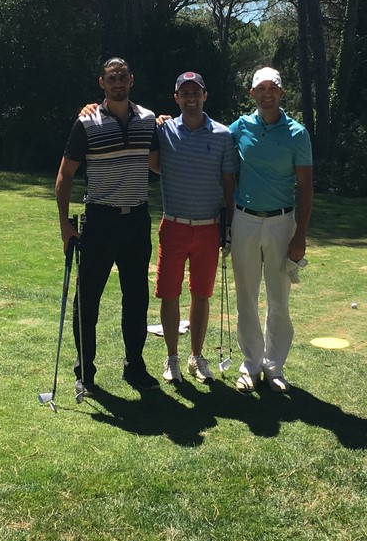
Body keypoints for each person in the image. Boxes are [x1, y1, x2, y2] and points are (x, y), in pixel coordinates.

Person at [55, 57, 160, 396]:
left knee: (137, 298)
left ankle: (135, 365)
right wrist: (64, 225)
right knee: (88, 299)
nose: (118, 83)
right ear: (102, 83)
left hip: (137, 220)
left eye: (123, 77)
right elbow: (65, 175)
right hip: (100, 221)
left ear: (131, 80)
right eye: (111, 78)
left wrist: (168, 125)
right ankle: (85, 371)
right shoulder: (86, 122)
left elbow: (157, 164)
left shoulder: (148, 120)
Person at [229, 67, 313, 393]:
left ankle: (274, 366)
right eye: (261, 88)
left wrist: (300, 234)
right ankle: (251, 365)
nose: (267, 94)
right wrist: (165, 121)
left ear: (281, 93)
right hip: (244, 220)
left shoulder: (297, 133)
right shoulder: (240, 127)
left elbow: (305, 187)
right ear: (252, 93)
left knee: (279, 298)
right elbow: (207, 135)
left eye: (272, 88)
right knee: (246, 296)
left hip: (281, 222)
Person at [151, 71, 238, 385]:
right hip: (174, 225)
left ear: (205, 96)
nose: (191, 98)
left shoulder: (222, 135)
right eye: (185, 93)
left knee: (201, 294)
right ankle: (172, 358)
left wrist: (229, 228)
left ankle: (196, 356)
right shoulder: (163, 130)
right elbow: (154, 163)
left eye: (195, 93)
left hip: (208, 228)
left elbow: (228, 184)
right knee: (169, 293)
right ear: (176, 98)